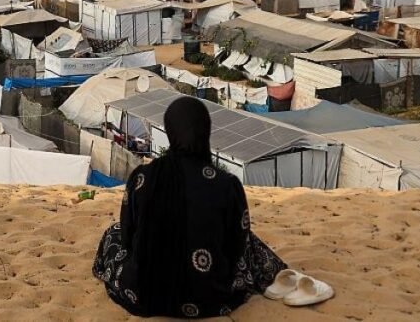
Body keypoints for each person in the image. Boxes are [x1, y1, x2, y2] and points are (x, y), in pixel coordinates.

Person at [93, 96, 286, 318]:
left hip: (143, 294)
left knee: (113, 233)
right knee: (250, 241)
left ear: (170, 132)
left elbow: (128, 236)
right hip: (212, 297)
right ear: (206, 132)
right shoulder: (226, 184)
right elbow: (236, 246)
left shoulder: (142, 178)